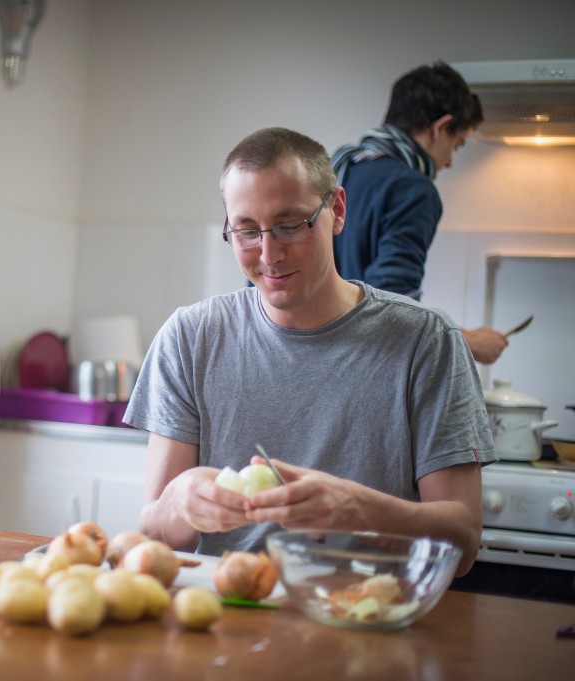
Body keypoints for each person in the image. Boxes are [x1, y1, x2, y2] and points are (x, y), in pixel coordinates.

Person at [124, 127, 495, 577]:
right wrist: (182, 501)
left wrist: (355, 507)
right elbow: (154, 532)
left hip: (369, 619)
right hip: (227, 616)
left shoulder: (426, 342)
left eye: (289, 225)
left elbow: (463, 542)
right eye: (246, 231)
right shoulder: (189, 338)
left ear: (336, 210)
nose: (269, 254)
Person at [332, 60, 508, 364]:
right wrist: (467, 340)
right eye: (457, 144)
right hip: (361, 368)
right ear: (440, 128)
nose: (450, 162)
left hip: (307, 359)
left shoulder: (332, 168)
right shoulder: (412, 190)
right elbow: (391, 309)